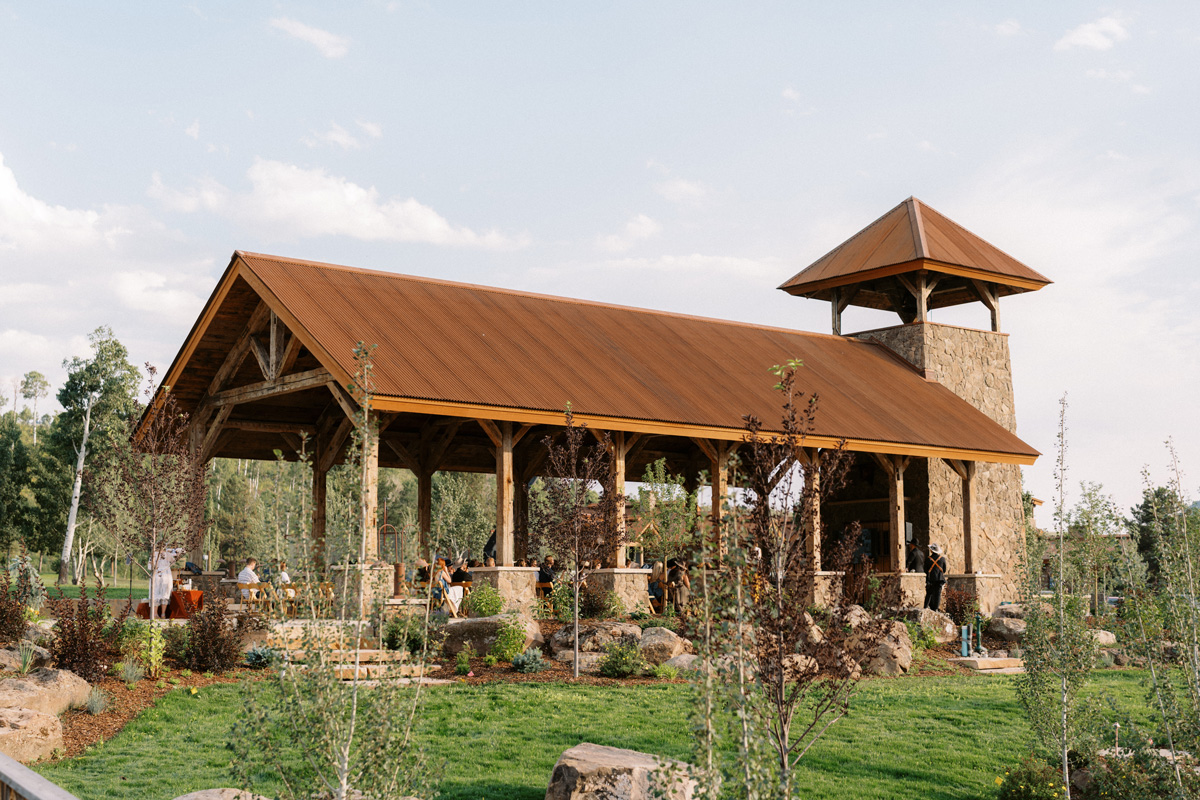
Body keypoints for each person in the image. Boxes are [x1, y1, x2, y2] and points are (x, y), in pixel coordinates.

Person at [149, 547, 184, 618]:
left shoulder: (153, 555)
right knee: (165, 594)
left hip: (156, 573)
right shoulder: (168, 554)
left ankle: (155, 614)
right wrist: (173, 550)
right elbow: (180, 553)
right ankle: (163, 614)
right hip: (166, 574)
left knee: (155, 593)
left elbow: (150, 567)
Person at [924, 543, 948, 611]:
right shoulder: (942, 559)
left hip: (931, 578)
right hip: (940, 579)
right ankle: (936, 608)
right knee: (938, 594)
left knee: (929, 593)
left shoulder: (928, 559)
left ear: (931, 551)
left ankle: (926, 607)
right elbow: (944, 569)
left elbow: (925, 570)